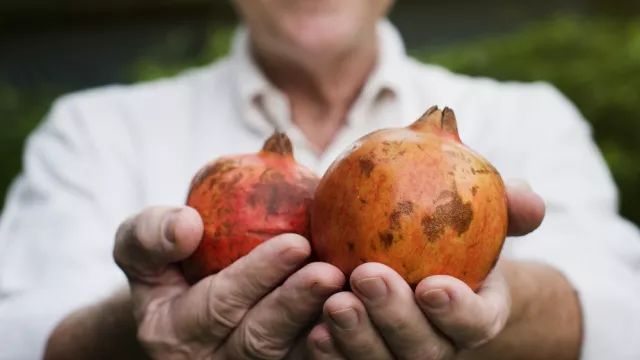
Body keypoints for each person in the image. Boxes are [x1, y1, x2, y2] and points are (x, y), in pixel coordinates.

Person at [1, 0, 639, 359]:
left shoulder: (531, 115)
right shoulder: (92, 128)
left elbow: (624, 322)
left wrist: (500, 297)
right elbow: (19, 333)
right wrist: (135, 326)